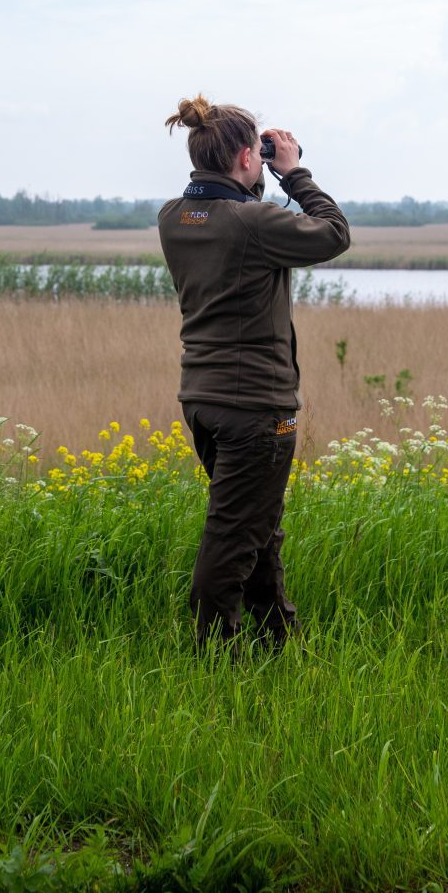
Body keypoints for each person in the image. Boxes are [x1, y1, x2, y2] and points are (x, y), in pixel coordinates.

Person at [158, 94, 350, 649]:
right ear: (248, 156)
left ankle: (275, 642)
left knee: (256, 526)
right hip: (256, 409)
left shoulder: (175, 217)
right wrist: (294, 173)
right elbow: (333, 233)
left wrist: (256, 176)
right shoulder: (253, 221)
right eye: (257, 155)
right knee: (234, 535)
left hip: (203, 399)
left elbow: (231, 208)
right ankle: (214, 655)